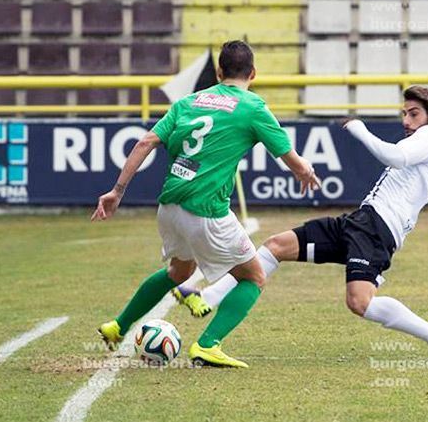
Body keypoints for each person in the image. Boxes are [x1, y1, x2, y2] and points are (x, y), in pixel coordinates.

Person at [174, 85, 428, 357]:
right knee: (276, 246)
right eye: (404, 114)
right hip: (362, 221)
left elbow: (395, 157)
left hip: (377, 230)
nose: (405, 121)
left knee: (359, 302)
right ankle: (207, 296)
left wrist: (359, 128)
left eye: (413, 114)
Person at [93, 40, 320, 368]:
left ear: (218, 72)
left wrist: (116, 191)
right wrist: (305, 171)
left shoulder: (187, 103)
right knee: (254, 277)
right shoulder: (253, 107)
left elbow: (145, 142)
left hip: (169, 208)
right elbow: (292, 159)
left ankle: (118, 326)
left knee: (179, 271)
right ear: (253, 73)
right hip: (205, 211)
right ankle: (207, 345)